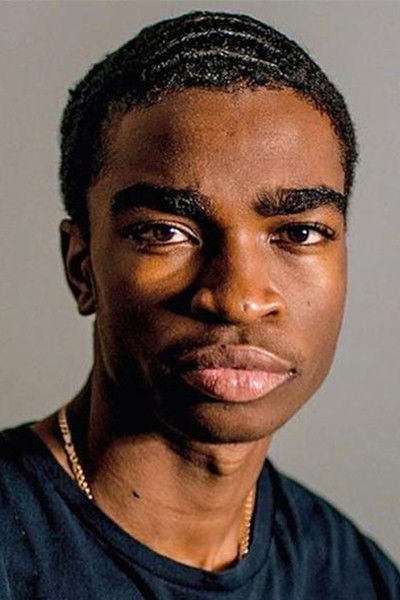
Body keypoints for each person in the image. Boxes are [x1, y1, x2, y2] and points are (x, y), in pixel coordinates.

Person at [1, 10, 399, 599]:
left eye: (299, 232)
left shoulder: (354, 576)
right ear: (82, 266)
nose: (239, 299)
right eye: (165, 232)